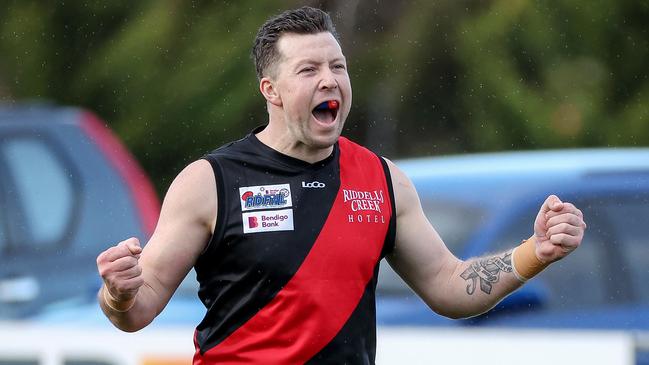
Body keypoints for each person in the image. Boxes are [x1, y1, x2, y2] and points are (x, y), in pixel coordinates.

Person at [96, 6, 587, 364]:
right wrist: (118, 294)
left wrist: (535, 252)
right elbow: (138, 308)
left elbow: (448, 286)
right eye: (309, 70)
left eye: (338, 67)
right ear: (271, 90)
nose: (329, 80)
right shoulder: (210, 182)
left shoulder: (382, 179)